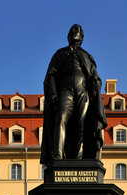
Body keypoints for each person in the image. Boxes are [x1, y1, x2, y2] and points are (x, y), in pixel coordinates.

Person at [41, 24, 107, 165]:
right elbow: (51, 75)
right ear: (68, 37)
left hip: (82, 90)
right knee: (61, 117)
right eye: (73, 31)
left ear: (82, 38)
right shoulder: (60, 53)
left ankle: (78, 160)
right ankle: (58, 156)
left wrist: (96, 83)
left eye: (78, 32)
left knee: (81, 124)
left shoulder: (87, 56)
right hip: (65, 89)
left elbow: (96, 76)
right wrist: (52, 92)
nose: (75, 33)